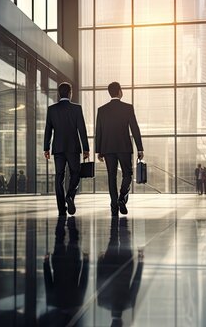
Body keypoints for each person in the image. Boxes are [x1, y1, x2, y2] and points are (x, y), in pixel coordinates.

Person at [95, 82, 144, 216]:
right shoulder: (127, 108)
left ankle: (114, 206)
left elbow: (98, 131)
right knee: (127, 174)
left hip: (108, 148)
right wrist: (140, 148)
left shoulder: (102, 110)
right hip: (124, 147)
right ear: (120, 92)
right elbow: (135, 128)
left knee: (112, 177)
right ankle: (122, 197)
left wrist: (98, 150)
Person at [44, 82, 90, 216]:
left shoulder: (52, 109)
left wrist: (46, 148)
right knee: (75, 173)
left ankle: (61, 208)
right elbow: (82, 129)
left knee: (59, 176)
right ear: (70, 93)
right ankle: (70, 195)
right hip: (73, 147)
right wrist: (85, 148)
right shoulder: (76, 109)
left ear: (59, 94)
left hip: (58, 148)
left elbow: (48, 130)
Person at [41, 216, 89, 326]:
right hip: (59, 265)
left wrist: (85, 262)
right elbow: (48, 281)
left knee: (73, 239)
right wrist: (46, 263)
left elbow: (83, 281)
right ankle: (62, 218)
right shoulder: (53, 302)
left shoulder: (77, 302)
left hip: (73, 264)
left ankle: (71, 218)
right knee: (59, 238)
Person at [97, 217, 144, 327]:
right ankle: (115, 213)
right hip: (109, 266)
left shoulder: (129, 304)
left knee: (125, 239)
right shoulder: (102, 302)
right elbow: (99, 281)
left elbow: (136, 282)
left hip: (125, 267)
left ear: (121, 322)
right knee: (113, 238)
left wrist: (140, 262)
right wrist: (100, 263)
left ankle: (122, 216)